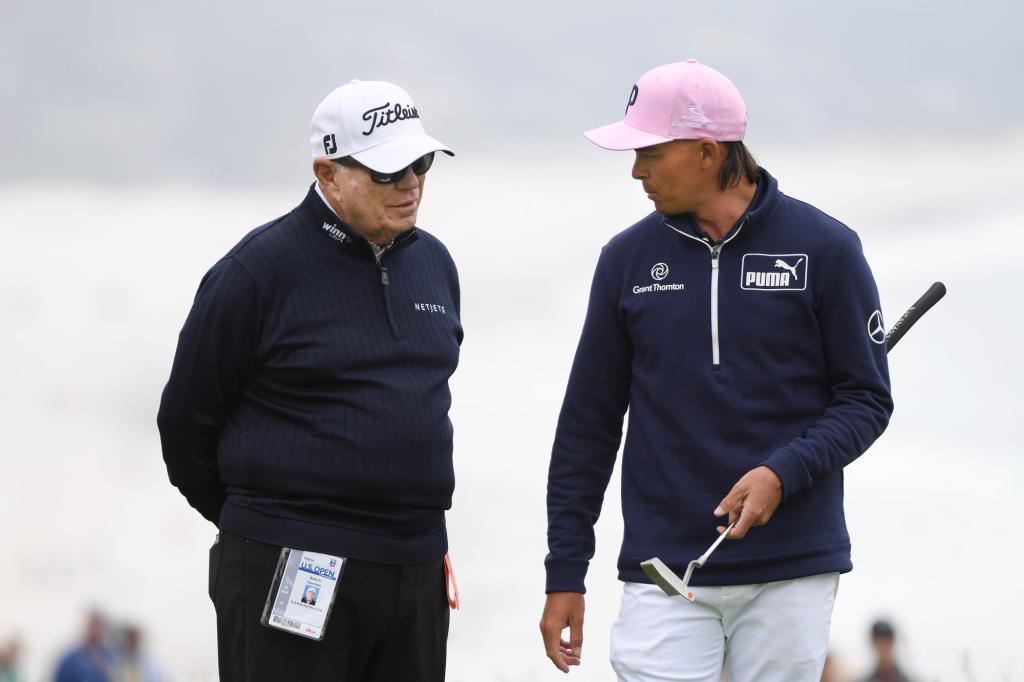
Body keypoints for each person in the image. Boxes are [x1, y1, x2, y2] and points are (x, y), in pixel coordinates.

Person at [539, 59, 893, 682]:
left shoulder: (827, 249)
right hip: (663, 571)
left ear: (706, 152)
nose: (636, 170)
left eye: (649, 151)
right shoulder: (625, 261)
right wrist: (565, 571)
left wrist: (782, 474)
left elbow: (865, 400)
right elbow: (588, 425)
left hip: (792, 566)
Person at [158, 79, 462, 681]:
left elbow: (421, 413)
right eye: (387, 169)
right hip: (290, 564)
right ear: (328, 175)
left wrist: (422, 529)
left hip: (413, 566)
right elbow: (184, 426)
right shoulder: (256, 272)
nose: (411, 182)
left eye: (421, 161)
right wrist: (264, 527)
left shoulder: (435, 264)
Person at [54, 612, 113, 682]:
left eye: (98, 626)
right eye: (93, 626)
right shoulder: (71, 661)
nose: (95, 630)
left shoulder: (112, 659)